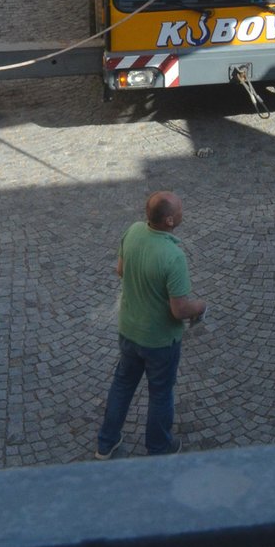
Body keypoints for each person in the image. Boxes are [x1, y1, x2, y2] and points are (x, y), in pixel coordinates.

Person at [95, 191, 206, 460]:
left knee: (122, 384)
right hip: (159, 341)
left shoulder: (133, 231)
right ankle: (159, 448)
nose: (183, 212)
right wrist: (200, 307)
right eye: (179, 210)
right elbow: (179, 310)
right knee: (160, 393)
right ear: (169, 221)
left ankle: (105, 443)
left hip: (129, 330)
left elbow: (120, 270)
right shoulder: (173, 256)